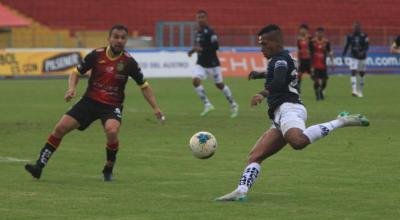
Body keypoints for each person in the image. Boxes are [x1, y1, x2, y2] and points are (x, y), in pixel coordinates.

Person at [216, 24, 370, 201]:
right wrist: (261, 74)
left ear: (275, 43)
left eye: (264, 44)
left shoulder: (279, 60)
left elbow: (280, 81)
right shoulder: (283, 57)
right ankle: (241, 191)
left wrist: (262, 93)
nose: (261, 48)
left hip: (289, 108)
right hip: (279, 115)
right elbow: (280, 73)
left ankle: (341, 121)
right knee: (255, 156)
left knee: (298, 141)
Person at [24, 24, 165, 181]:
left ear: (126, 40)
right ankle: (39, 166)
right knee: (60, 128)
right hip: (89, 101)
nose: (119, 40)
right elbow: (76, 73)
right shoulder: (96, 55)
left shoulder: (129, 62)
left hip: (112, 106)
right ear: (109, 38)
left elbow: (144, 86)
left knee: (112, 131)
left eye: (123, 38)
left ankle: (108, 169)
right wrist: (71, 89)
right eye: (116, 37)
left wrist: (155, 107)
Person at [188, 10, 239, 118]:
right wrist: (193, 51)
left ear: (206, 19)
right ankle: (207, 104)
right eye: (198, 17)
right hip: (201, 63)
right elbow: (198, 46)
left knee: (219, 85)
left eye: (202, 17)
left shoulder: (210, 32)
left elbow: (215, 47)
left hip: (213, 64)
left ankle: (233, 105)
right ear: (196, 19)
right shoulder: (197, 32)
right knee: (195, 81)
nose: (200, 19)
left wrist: (201, 49)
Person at [342, 22, 369, 98]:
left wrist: (363, 52)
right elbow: (347, 46)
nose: (356, 28)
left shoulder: (364, 36)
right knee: (353, 72)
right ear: (353, 28)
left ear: (360, 28)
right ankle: (354, 90)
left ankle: (360, 91)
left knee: (361, 74)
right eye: (355, 27)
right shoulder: (350, 36)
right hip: (353, 56)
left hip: (362, 57)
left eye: (358, 27)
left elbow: (367, 46)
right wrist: (343, 55)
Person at [309, 27, 334, 101]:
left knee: (324, 82)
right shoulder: (312, 42)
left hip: (323, 65)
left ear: (323, 33)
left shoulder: (326, 42)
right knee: (316, 81)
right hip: (315, 65)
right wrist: (310, 65)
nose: (320, 34)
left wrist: (332, 62)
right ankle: (317, 94)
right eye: (318, 32)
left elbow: (330, 52)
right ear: (316, 33)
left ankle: (321, 90)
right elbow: (310, 53)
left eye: (321, 32)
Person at [296, 24, 312, 93]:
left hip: (309, 59)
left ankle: (320, 88)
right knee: (299, 74)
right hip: (302, 59)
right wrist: (298, 58)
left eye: (303, 29)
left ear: (306, 30)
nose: (302, 31)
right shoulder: (299, 39)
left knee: (314, 76)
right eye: (301, 29)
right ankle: (298, 88)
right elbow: (299, 49)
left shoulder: (310, 38)